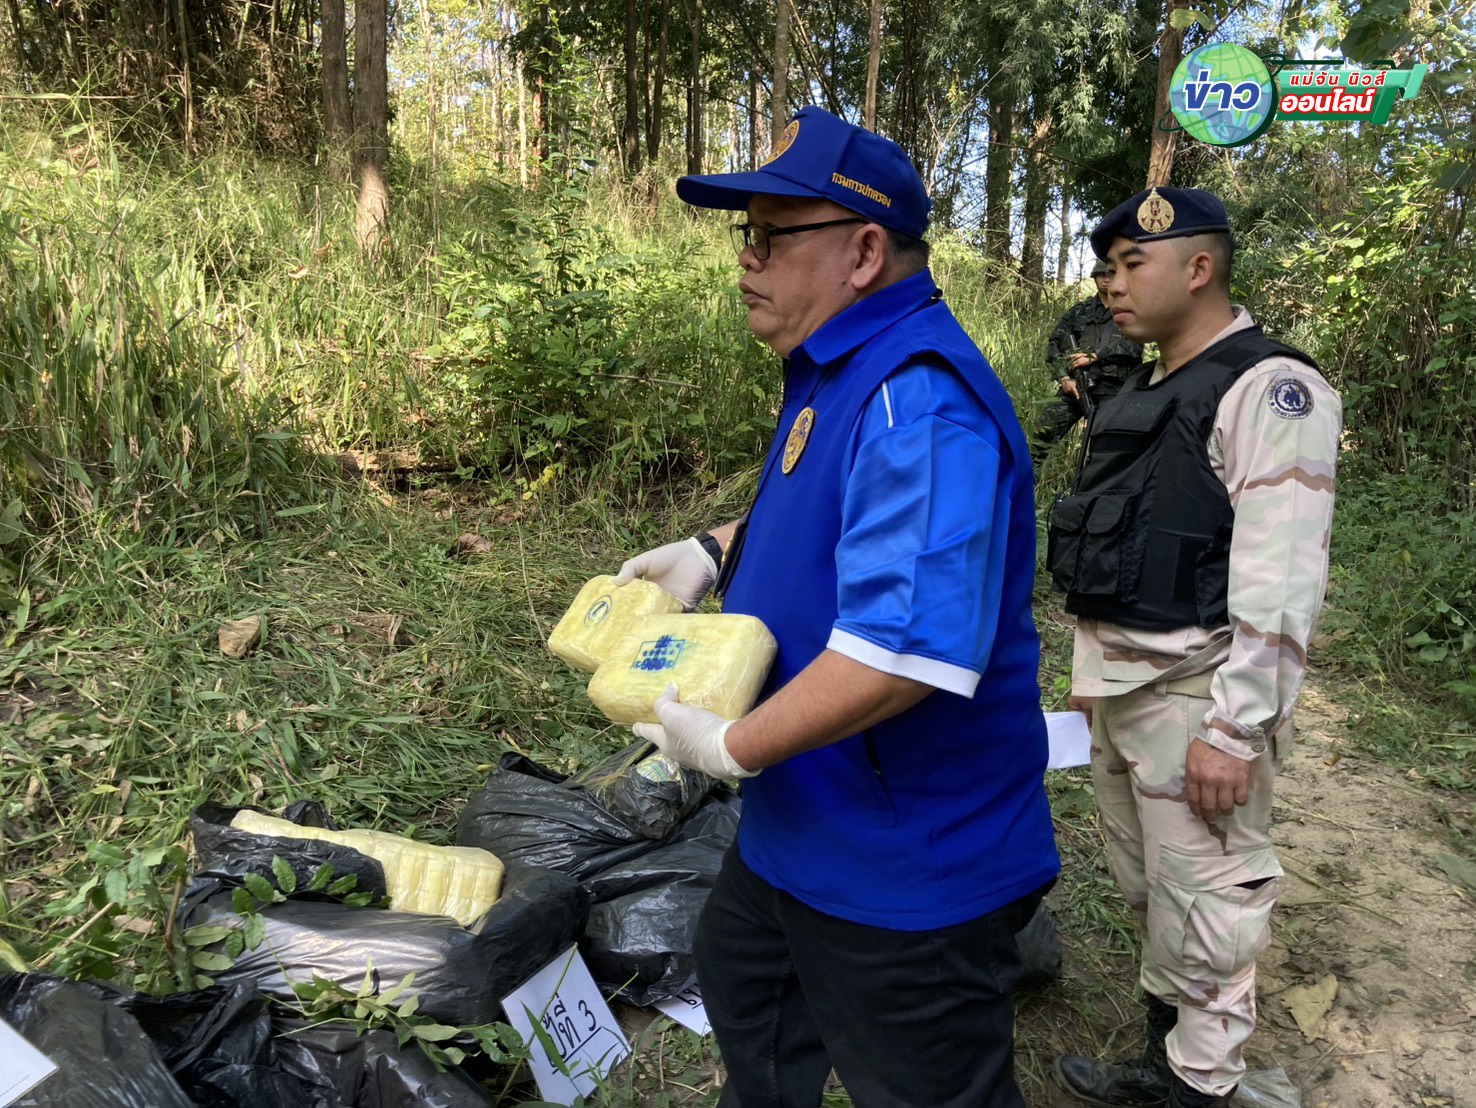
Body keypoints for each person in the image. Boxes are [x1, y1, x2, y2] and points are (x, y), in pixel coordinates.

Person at [613, 105, 1060, 1108]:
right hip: (806, 824)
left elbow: (898, 656)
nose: (747, 258)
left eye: (773, 236)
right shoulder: (842, 366)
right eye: (748, 234)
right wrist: (713, 550)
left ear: (863, 252)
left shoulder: (920, 400)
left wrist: (729, 747)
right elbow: (847, 517)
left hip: (904, 867)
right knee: (746, 986)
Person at [1046, 187, 1341, 1108]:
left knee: (1209, 904)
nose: (1110, 283)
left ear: (1200, 268)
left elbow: (1282, 577)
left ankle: (1199, 1088)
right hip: (1126, 689)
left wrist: (1237, 729)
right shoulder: (1150, 385)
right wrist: (1093, 678)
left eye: (1132, 263)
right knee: (1155, 893)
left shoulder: (1270, 388)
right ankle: (1161, 1062)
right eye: (1106, 266)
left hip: (1196, 694)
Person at [1030, 258, 1145, 468]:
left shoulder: (1130, 310)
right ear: (1094, 278)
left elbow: (1135, 347)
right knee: (1040, 435)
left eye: (1110, 274)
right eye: (1101, 275)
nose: (1106, 279)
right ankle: (1026, 481)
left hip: (1114, 391)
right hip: (1076, 388)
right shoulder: (1079, 312)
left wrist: (1096, 356)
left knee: (1108, 452)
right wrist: (1063, 378)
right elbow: (1054, 344)